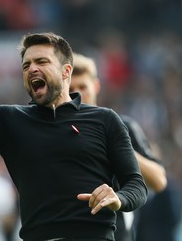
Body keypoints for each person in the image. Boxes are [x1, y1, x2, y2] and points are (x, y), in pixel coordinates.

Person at [0, 28, 148, 240]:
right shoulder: (10, 121)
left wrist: (118, 197)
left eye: (41, 62)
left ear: (66, 71)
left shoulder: (105, 120)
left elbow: (136, 185)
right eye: (26, 65)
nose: (32, 69)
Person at [69, 52, 167, 241]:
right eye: (71, 88)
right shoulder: (56, 131)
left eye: (83, 87)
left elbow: (159, 181)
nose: (78, 95)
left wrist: (119, 147)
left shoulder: (122, 127)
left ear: (96, 86)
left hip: (115, 234)